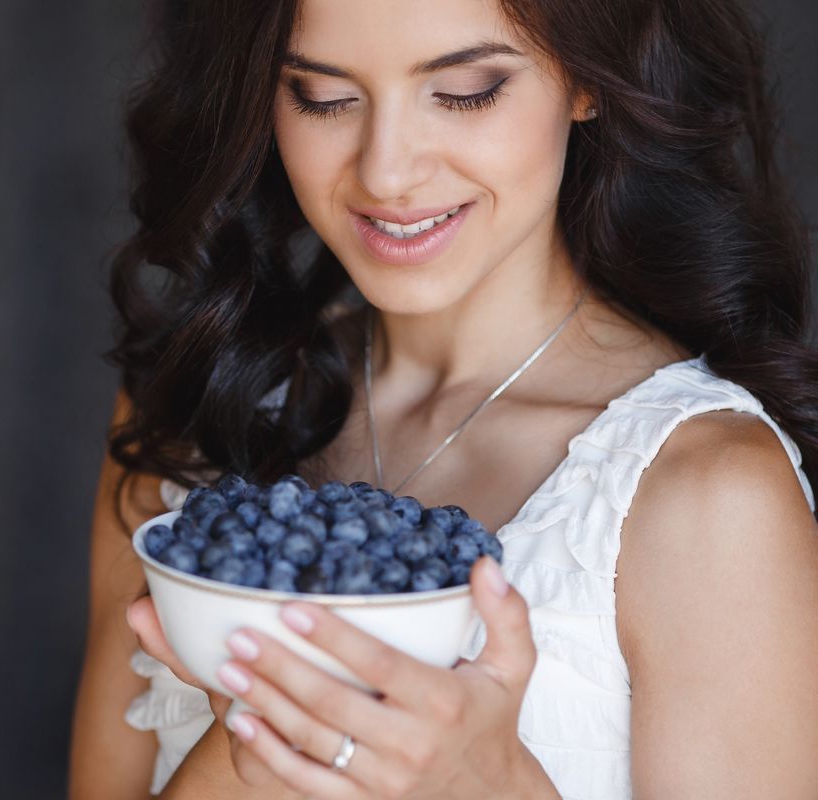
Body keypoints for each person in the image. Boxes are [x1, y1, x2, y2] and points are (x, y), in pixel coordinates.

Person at [68, 0, 818, 797]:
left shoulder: (707, 498)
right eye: (323, 96)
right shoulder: (193, 411)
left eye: (465, 90)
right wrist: (258, 728)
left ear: (588, 80)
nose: (387, 172)